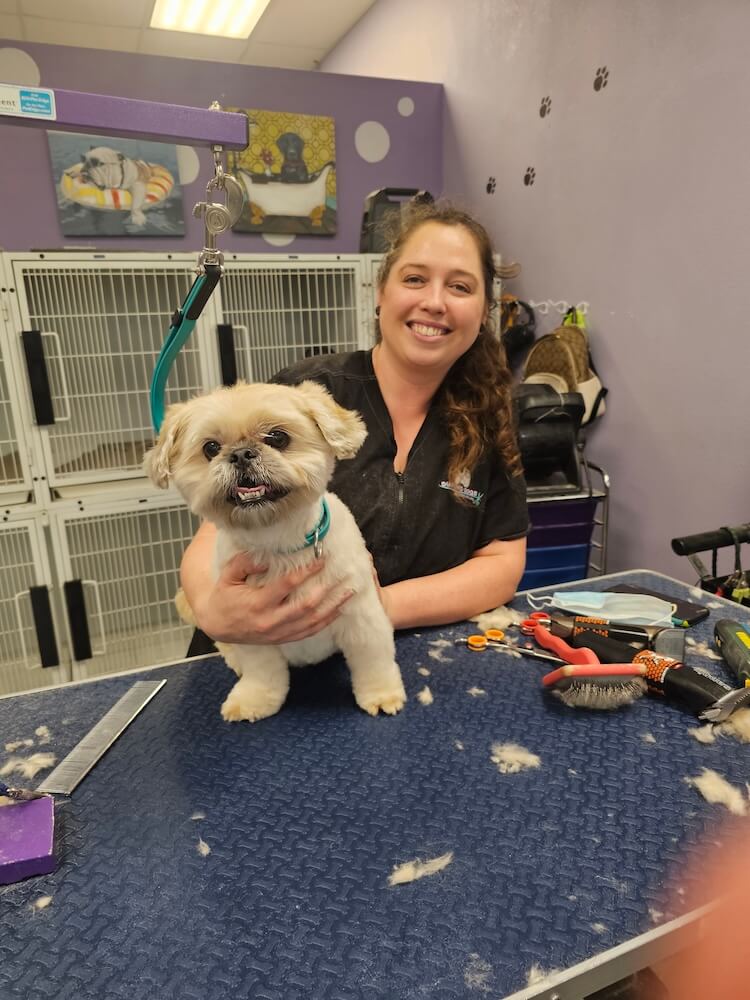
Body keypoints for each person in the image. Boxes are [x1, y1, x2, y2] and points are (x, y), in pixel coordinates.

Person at [179, 200, 528, 646]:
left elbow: (501, 560)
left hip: (387, 659)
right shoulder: (303, 396)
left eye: (460, 287)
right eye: (415, 279)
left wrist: (371, 609)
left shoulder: (487, 418)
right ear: (381, 291)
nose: (435, 302)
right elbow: (216, 529)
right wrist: (213, 609)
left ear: (483, 312)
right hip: (260, 654)